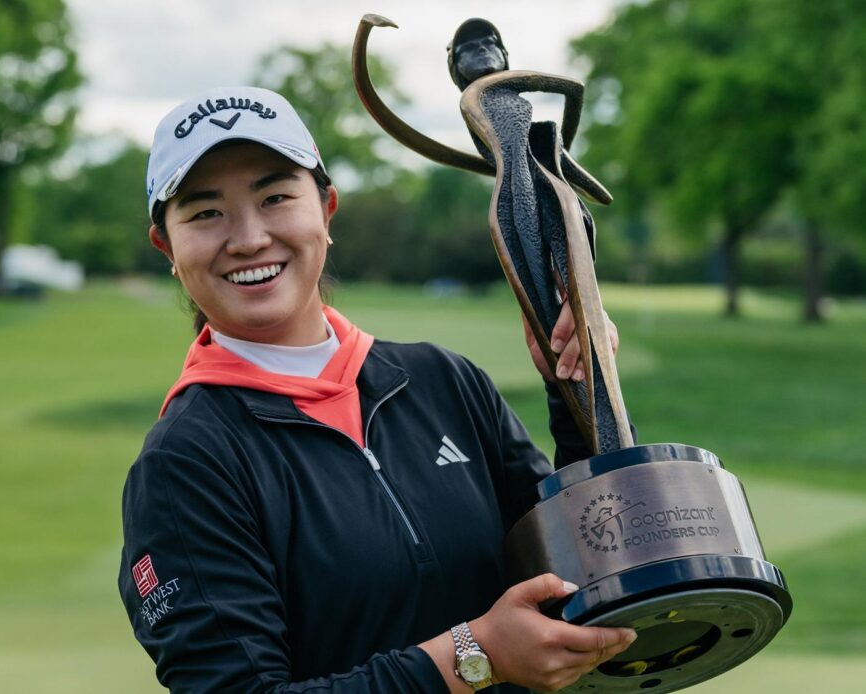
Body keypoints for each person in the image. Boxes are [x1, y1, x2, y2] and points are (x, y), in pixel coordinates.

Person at [118, 85, 636, 693]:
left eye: (276, 197)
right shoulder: (186, 463)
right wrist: (474, 656)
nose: (249, 237)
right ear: (168, 248)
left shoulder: (446, 382)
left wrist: (577, 387)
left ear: (327, 209)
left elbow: (579, 570)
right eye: (206, 212)